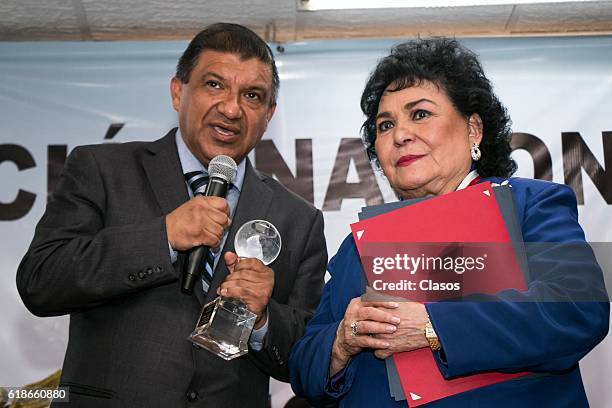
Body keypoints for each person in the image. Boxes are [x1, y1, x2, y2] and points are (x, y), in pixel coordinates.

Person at [17, 23, 327, 408]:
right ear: (178, 91)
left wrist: (264, 320)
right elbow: (41, 281)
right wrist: (162, 236)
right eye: (214, 85)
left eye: (252, 95)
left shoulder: (298, 218)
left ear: (268, 114)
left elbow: (306, 357)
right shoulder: (102, 169)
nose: (231, 108)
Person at [289, 38, 609, 407]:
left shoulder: (530, 205)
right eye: (385, 125)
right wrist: (341, 343)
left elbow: (576, 309)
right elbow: (303, 366)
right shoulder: (358, 246)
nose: (400, 135)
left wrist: (431, 326)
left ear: (473, 129)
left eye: (420, 114)